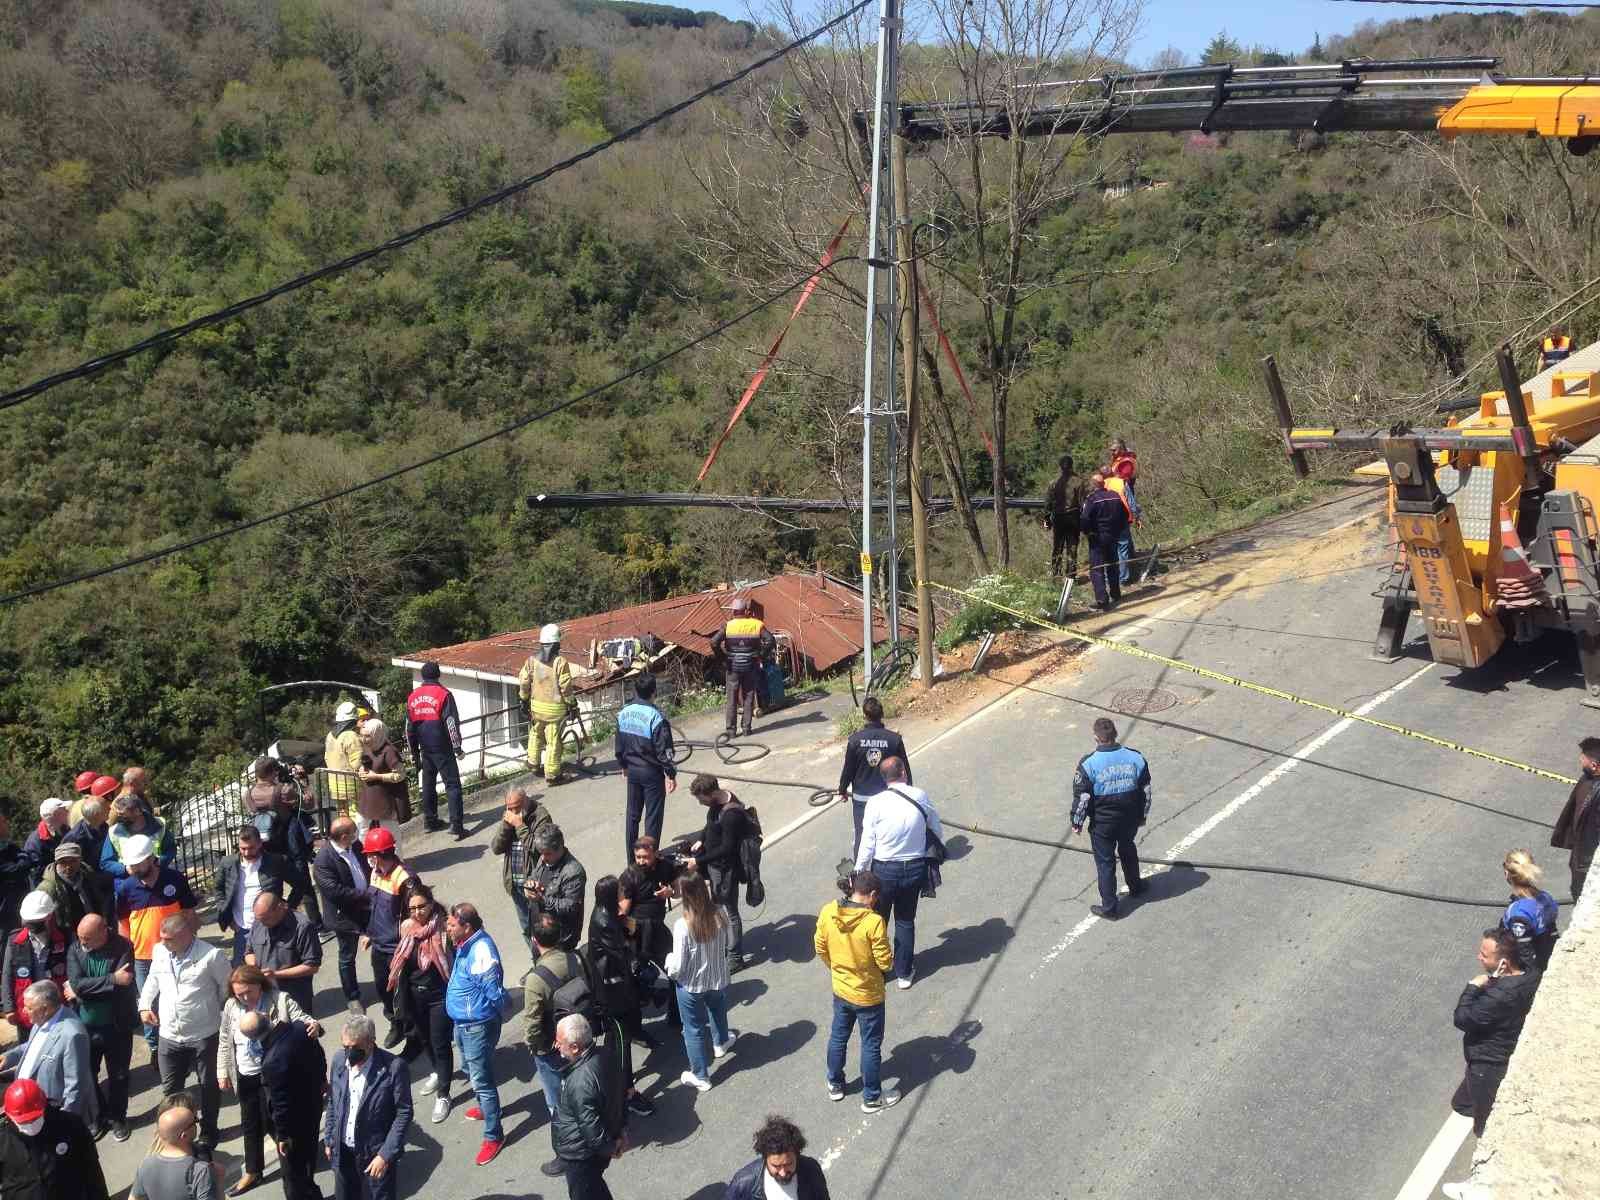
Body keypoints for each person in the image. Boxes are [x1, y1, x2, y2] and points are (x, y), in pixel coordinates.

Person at [217, 966, 319, 1197]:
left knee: (279, 1124)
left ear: (260, 985)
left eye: (248, 992)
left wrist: (314, 1025)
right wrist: (222, 1071)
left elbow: (304, 1021)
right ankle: (253, 1171)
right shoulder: (231, 1006)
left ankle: (293, 1171)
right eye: (238, 993)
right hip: (246, 1073)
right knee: (250, 1123)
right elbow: (225, 1038)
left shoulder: (279, 1000)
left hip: (274, 1075)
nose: (244, 998)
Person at [139, 913, 232, 1155]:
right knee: (171, 1090)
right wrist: (145, 1005)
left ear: (184, 935)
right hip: (170, 1034)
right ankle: (176, 1132)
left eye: (167, 938)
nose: (162, 942)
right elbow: (153, 980)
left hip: (204, 1034)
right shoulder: (160, 951)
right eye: (161, 938)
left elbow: (226, 988)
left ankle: (209, 1130)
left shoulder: (211, 956)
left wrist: (207, 1011)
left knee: (208, 1086)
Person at [815, 868, 896, 1113]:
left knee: (838, 1037)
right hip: (868, 994)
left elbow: (820, 946)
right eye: (876, 898)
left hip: (841, 990)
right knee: (870, 1044)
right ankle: (871, 1096)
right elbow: (885, 962)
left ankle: (835, 1083)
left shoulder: (829, 911)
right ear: (871, 894)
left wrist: (836, 968)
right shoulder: (873, 922)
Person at [854, 758, 940, 990]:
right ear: (903, 772)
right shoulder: (920, 795)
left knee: (877, 921)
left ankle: (879, 972)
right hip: (914, 868)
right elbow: (936, 827)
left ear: (884, 778)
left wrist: (858, 870)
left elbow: (867, 842)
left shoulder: (875, 803)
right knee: (905, 920)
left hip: (883, 871)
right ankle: (904, 972)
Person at [113, 835, 198, 1052]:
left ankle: (184, 1042)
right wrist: (127, 953)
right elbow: (123, 923)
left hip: (178, 953)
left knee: (179, 998)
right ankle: (154, 1048)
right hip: (143, 958)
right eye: (132, 864)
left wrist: (191, 944)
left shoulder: (175, 879)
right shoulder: (126, 889)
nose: (135, 868)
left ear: (152, 858)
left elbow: (188, 913)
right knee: (148, 1003)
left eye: (139, 863)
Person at [1451, 928, 1538, 1138]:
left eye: (1484, 954)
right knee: (1461, 1103)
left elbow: (1463, 1018)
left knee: (1484, 1123)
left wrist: (1473, 987)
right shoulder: (1532, 975)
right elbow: (1525, 953)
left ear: (1503, 964)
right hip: (1497, 1052)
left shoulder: (1499, 996)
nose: (1478, 957)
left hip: (1488, 1064)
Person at [522, 911, 588, 1175]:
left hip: (551, 1048)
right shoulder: (576, 958)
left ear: (535, 940)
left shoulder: (536, 979)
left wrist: (536, 1047)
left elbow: (532, 1025)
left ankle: (566, 1153)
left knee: (557, 1104)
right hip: (580, 1037)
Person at [322, 1015, 411, 1200]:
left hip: (374, 1155)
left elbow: (403, 1113)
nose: (349, 1053)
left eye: (355, 1048)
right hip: (344, 1152)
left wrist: (385, 1155)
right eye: (345, 1047)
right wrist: (330, 1137)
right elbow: (333, 1101)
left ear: (370, 1043)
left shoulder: (393, 1068)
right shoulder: (339, 1061)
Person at [66, 914, 137, 1142]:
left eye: (87, 939)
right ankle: (97, 1115)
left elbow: (124, 983)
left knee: (118, 1074)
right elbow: (76, 983)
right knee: (87, 1073)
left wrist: (84, 991)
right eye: (80, 938)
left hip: (117, 1024)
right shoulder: (76, 949)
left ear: (103, 932)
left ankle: (118, 1117)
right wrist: (111, 980)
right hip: (85, 1026)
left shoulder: (122, 946)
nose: (82, 943)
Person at [586, 876, 653, 1118]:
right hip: (613, 996)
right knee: (621, 1044)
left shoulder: (605, 914)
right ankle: (627, 1093)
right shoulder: (604, 921)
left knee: (617, 1042)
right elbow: (620, 954)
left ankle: (617, 1085)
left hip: (615, 990)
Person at [1071, 717, 1151, 920]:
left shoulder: (1088, 764)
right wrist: (1142, 816)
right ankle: (1136, 887)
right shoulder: (1136, 758)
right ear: (1116, 734)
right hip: (1129, 820)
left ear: (1096, 738)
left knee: (1105, 863)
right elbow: (1146, 792)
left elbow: (1083, 798)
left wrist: (1077, 822)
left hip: (1103, 825)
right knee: (1128, 849)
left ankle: (1110, 908)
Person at [388, 883, 454, 1124]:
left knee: (440, 1043)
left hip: (439, 995)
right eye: (412, 908)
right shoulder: (407, 929)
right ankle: (439, 1071)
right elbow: (401, 964)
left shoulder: (444, 928)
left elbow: (451, 961)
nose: (417, 912)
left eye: (421, 907)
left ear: (431, 903)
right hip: (414, 996)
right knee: (424, 1039)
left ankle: (444, 1094)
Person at [443, 903, 504, 1166]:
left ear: (467, 927)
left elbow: (494, 992)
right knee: (471, 1070)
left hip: (476, 1026)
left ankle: (494, 1135)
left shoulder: (480, 950)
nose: (447, 928)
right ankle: (485, 1108)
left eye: (451, 925)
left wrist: (491, 1017)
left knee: (483, 1082)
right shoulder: (465, 942)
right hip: (462, 1024)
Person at [248, 1007, 327, 1200]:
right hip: (313, 1103)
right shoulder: (301, 1029)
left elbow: (279, 1104)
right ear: (267, 1018)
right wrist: (321, 1080)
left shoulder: (271, 1061)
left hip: (293, 1121)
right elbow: (319, 1056)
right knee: (307, 1159)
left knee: (293, 1172)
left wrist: (282, 1136)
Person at [665, 871, 734, 1092]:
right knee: (718, 1007)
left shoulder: (682, 926)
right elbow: (728, 943)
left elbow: (677, 966)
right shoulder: (719, 914)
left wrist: (668, 963)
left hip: (691, 985)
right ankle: (721, 1042)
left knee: (692, 1029)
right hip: (716, 977)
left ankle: (700, 1075)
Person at [0, 981, 97, 1126]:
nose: (24, 1011)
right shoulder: (43, 1019)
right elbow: (34, 1046)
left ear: (45, 1009)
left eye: (29, 1007)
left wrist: (65, 1123)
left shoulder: (72, 1035)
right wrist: (8, 1057)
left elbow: (75, 1086)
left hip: (51, 1115)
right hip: (29, 1105)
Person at [551, 1014, 625, 1200]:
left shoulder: (580, 1082)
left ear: (575, 1047)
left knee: (585, 1193)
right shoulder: (606, 1054)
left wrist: (611, 1148)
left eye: (560, 1042)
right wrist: (621, 1131)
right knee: (596, 1189)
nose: (556, 1045)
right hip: (593, 1151)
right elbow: (619, 1097)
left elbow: (591, 1129)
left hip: (581, 1156)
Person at [683, 775, 751, 974]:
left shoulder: (731, 814)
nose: (700, 802)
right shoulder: (715, 804)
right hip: (714, 868)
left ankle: (735, 957)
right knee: (719, 910)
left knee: (730, 913)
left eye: (701, 798)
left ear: (712, 794)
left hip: (725, 869)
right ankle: (726, 947)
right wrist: (702, 839)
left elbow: (727, 848)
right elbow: (710, 824)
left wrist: (698, 861)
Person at [0, 1077, 108, 1200]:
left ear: (44, 1107)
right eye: (24, 1122)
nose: (30, 1124)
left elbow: (92, 1170)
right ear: (10, 1116)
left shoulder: (70, 1125)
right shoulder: (3, 1142)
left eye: (34, 1119)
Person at [246, 761, 322, 935]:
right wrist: (301, 781)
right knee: (303, 884)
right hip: (289, 845)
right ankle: (316, 924)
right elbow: (309, 804)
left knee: (274, 887)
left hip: (266, 848)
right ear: (273, 771)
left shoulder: (248, 794)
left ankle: (278, 923)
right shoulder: (283, 790)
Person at [837, 697, 912, 862]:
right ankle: (888, 867)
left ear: (865, 716)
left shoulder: (854, 741)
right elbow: (904, 769)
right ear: (882, 714)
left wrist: (842, 790)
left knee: (862, 836)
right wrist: (909, 791)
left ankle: (860, 877)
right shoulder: (894, 740)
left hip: (862, 800)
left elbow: (848, 770)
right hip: (889, 797)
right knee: (890, 833)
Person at [360, 827, 415, 1046]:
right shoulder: (376, 873)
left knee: (404, 995)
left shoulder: (405, 879)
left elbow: (414, 915)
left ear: (379, 855)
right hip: (380, 946)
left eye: (370, 855)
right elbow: (373, 907)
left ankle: (413, 1036)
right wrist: (368, 933)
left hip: (397, 948)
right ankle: (396, 1024)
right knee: (384, 990)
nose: (368, 860)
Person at [614, 672, 677, 856]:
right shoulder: (656, 717)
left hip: (632, 771)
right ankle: (649, 860)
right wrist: (670, 774)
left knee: (632, 817)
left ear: (635, 691)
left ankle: (632, 860)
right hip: (651, 773)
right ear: (654, 692)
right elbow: (664, 750)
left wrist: (623, 765)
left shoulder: (623, 713)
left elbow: (619, 744)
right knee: (652, 818)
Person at [312, 819, 370, 1015]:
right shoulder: (323, 861)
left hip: (367, 908)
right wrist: (366, 894)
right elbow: (335, 892)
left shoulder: (356, 846)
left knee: (382, 944)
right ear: (344, 836)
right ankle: (352, 997)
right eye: (354, 832)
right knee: (347, 957)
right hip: (345, 917)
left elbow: (366, 869)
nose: (357, 835)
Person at [214, 826, 289, 967]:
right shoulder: (228, 864)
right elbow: (218, 890)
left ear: (260, 843)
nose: (247, 852)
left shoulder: (275, 862)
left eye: (251, 848)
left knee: (272, 969)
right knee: (242, 972)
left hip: (270, 926)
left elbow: (300, 884)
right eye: (243, 848)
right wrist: (229, 918)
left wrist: (286, 908)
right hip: (242, 929)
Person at [405, 664, 464, 837]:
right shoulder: (444, 694)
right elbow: (451, 723)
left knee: (428, 785)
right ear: (438, 675)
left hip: (425, 748)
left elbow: (408, 729)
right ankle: (457, 825)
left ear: (423, 676)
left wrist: (414, 753)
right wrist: (457, 747)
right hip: (443, 747)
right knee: (452, 785)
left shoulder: (412, 697)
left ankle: (430, 821)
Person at [490, 787, 553, 947]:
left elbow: (539, 849)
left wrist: (519, 825)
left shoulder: (541, 816)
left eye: (517, 807)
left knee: (544, 927)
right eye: (509, 808)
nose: (513, 812)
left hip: (535, 885)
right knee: (526, 928)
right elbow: (496, 848)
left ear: (526, 800)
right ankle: (535, 959)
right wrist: (506, 825)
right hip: (516, 885)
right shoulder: (510, 818)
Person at [2, 892, 70, 1031]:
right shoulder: (15, 941)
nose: (31, 926)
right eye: (28, 922)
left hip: (57, 1010)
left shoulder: (66, 938)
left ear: (49, 917)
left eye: (35, 922)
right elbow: (7, 975)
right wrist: (9, 1008)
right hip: (27, 1012)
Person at [245, 891, 322, 1013]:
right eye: (259, 919)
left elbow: (312, 966)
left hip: (294, 997)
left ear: (281, 908)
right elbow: (249, 951)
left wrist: (275, 974)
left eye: (266, 919)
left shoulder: (302, 927)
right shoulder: (259, 921)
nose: (263, 923)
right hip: (264, 997)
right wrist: (253, 966)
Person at [711, 597, 776, 739]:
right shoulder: (756, 624)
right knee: (748, 696)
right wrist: (761, 655)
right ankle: (746, 728)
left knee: (732, 698)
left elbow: (714, 642)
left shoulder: (727, 626)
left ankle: (731, 731)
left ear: (733, 611)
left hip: (732, 666)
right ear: (746, 611)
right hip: (750, 666)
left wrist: (722, 658)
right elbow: (770, 640)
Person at [724, 1114, 832, 1200]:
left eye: (788, 1164)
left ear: (797, 1155)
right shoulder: (743, 1183)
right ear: (765, 1158)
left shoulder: (811, 1169)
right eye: (776, 1166)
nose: (783, 1173)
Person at [520, 624, 574, 785]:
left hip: (536, 708)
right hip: (555, 711)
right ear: (557, 644)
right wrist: (572, 704)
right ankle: (552, 775)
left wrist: (523, 699)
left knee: (536, 733)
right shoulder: (560, 662)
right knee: (553, 741)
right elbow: (566, 687)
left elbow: (523, 682)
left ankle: (532, 762)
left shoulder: (531, 661)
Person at [130, 1102, 215, 1200]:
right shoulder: (200, 1170)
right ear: (184, 1135)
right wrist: (220, 1182)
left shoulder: (145, 1165)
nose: (198, 1123)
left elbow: (133, 1198)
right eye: (194, 1122)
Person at [1551, 735, 1600, 902]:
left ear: (1594, 765)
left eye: (1583, 759)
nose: (1580, 761)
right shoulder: (1588, 777)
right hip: (1580, 855)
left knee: (1584, 899)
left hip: (1589, 863)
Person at [1499, 849, 1559, 974]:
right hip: (1548, 956)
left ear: (1506, 873)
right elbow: (1553, 932)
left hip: (1526, 970)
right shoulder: (1545, 897)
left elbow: (1524, 955)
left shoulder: (1519, 913)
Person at [529, 825, 587, 951]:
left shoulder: (573, 872)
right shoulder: (545, 857)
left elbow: (570, 906)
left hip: (560, 939)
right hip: (540, 931)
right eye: (541, 853)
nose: (543, 858)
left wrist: (542, 899)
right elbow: (534, 876)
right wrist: (529, 885)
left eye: (547, 854)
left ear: (560, 848)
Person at [1080, 471, 1129, 611]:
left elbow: (1084, 519)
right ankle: (1116, 593)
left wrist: (1088, 532)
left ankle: (1102, 599)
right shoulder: (1115, 496)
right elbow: (1124, 514)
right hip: (1113, 536)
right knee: (1113, 565)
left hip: (1098, 538)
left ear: (1093, 485)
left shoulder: (1092, 499)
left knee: (1097, 569)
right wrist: (1118, 530)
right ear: (1103, 484)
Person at [38, 842, 113, 930]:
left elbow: (100, 899)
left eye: (73, 861)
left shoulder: (88, 875)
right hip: (67, 934)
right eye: (63, 862)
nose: (68, 866)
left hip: (93, 927)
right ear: (56, 862)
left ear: (80, 860)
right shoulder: (47, 888)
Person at [101, 796, 176, 879]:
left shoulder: (159, 825)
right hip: (129, 881)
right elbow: (106, 862)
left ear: (137, 811)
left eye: (122, 814)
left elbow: (170, 849)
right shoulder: (114, 832)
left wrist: (159, 862)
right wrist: (125, 869)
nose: (118, 817)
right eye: (118, 813)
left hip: (157, 877)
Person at [356, 719, 407, 831]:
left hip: (386, 800)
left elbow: (400, 775)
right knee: (362, 830)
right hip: (368, 798)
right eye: (361, 736)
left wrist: (376, 777)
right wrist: (361, 770)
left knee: (390, 834)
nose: (363, 739)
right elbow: (365, 764)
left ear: (377, 734)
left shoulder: (389, 751)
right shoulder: (368, 748)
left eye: (367, 736)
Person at [1043, 454, 1088, 581]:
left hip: (1058, 518)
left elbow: (1048, 503)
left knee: (1057, 546)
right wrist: (1084, 520)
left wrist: (1047, 519)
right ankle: (1071, 576)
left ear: (1060, 466)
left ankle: (1056, 575)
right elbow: (1082, 503)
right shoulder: (1079, 482)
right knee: (1072, 546)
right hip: (1073, 517)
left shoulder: (1053, 483)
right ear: (1072, 465)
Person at [322, 703, 365, 826]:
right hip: (351, 785)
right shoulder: (351, 736)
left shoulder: (330, 735)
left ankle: (345, 840)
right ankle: (356, 841)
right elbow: (357, 763)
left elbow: (326, 757)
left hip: (334, 784)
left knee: (342, 815)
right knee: (355, 815)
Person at [1103, 463, 1144, 587]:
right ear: (1112, 473)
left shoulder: (1099, 485)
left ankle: (1110, 577)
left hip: (1106, 523)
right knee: (1123, 549)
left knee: (1109, 550)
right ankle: (1124, 578)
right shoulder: (1120, 483)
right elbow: (1131, 502)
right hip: (1122, 520)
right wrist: (1137, 517)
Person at [22, 800, 72, 887]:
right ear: (56, 815)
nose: (67, 811)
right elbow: (36, 876)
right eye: (64, 809)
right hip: (51, 887)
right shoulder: (35, 843)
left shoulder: (66, 829)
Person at [0, 813, 35, 937]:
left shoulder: (9, 846)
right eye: (3, 822)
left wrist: (22, 862)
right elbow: (16, 870)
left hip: (18, 908)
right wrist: (22, 863)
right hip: (4, 916)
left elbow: (27, 860)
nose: (7, 824)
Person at [62, 798, 111, 875]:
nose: (110, 808)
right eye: (106, 808)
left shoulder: (104, 826)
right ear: (97, 815)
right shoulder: (74, 838)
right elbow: (68, 865)